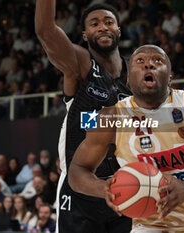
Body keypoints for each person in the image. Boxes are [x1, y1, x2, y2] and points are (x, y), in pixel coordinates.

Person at [68, 45, 184, 232]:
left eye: (158, 60)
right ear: (128, 79)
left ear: (170, 77)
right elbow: (77, 171)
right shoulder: (110, 119)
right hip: (151, 224)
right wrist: (106, 189)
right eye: (139, 61)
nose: (149, 64)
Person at [35, 1, 132, 233]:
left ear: (118, 30)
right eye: (95, 23)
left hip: (127, 187)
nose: (102, 27)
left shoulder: (136, 76)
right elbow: (46, 31)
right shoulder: (80, 63)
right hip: (81, 190)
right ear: (85, 35)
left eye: (109, 22)